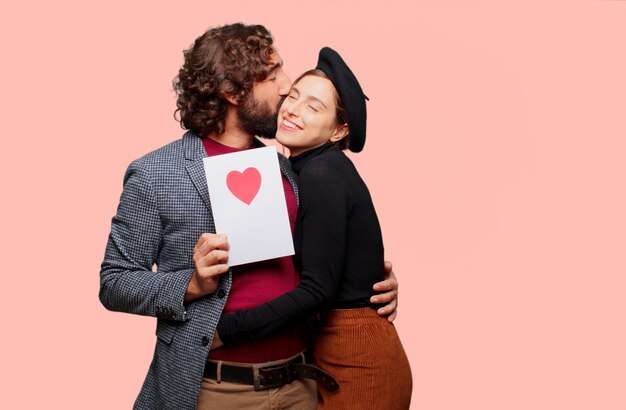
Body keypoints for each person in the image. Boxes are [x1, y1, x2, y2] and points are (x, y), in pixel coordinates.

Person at [99, 23, 399, 410]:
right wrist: (190, 285)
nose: (287, 85)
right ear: (232, 92)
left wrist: (370, 285)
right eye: (271, 75)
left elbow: (324, 261)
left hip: (302, 383)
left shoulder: (292, 167)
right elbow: (115, 281)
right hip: (213, 389)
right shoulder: (157, 173)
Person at [211, 47, 413, 409]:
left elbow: (318, 290)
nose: (292, 109)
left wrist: (225, 330)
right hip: (333, 350)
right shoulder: (298, 170)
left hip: (358, 357)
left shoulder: (322, 174)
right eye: (293, 96)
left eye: (313, 107)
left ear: (339, 130)